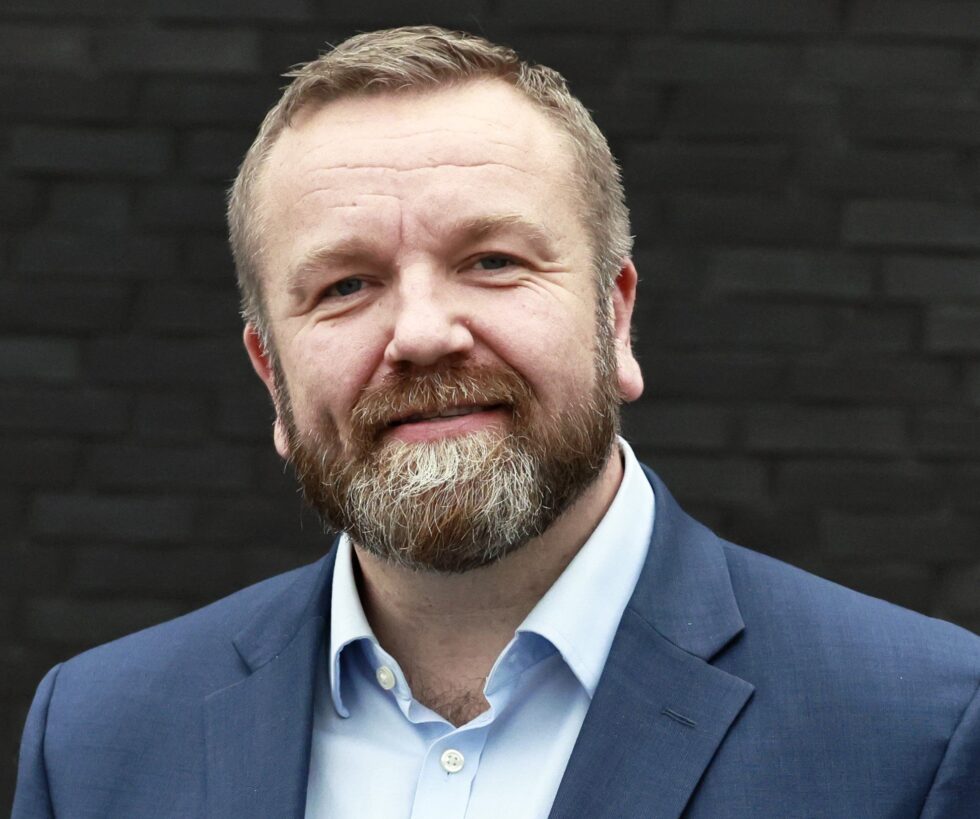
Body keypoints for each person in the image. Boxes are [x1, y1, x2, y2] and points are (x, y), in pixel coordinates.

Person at [12, 25, 980, 819]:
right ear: (271, 374)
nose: (422, 335)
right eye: (345, 285)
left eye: (492, 262)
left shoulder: (920, 729)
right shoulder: (95, 740)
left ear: (614, 319)